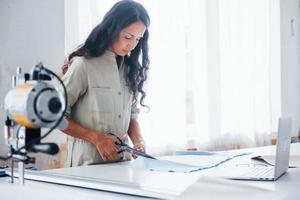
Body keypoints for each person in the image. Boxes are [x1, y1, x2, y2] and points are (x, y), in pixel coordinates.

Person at [60, 0, 150, 167]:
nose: (132, 44)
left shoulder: (130, 69)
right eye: (128, 37)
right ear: (112, 29)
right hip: (86, 167)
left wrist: (139, 142)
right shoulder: (83, 65)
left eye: (138, 39)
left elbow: (130, 116)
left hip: (122, 165)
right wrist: (96, 138)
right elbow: (55, 117)